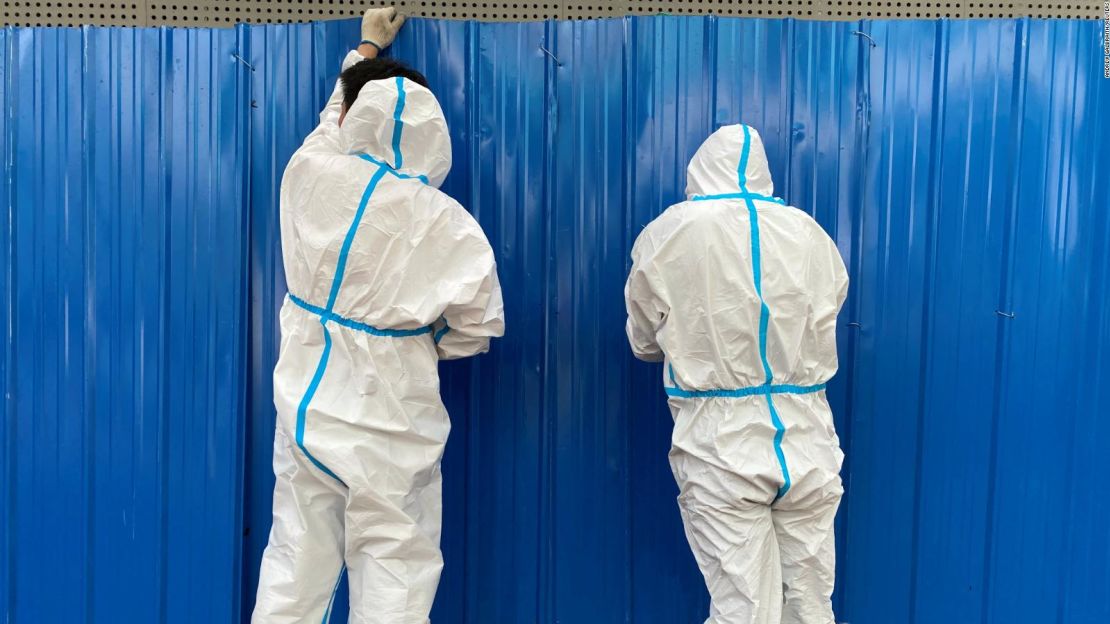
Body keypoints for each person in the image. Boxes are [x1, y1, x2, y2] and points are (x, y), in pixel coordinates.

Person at [252, 7, 505, 623]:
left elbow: (331, 119)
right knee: (395, 576)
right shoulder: (448, 226)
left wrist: (366, 47)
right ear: (433, 134)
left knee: (292, 569)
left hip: (306, 411)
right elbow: (476, 328)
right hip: (394, 425)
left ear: (356, 121)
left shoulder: (308, 173)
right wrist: (418, 334)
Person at [624, 124, 848, 624]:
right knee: (811, 604)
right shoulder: (809, 232)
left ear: (698, 172)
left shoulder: (671, 232)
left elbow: (643, 340)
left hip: (721, 446)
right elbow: (831, 307)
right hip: (808, 438)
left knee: (743, 609)